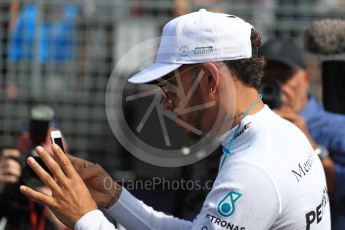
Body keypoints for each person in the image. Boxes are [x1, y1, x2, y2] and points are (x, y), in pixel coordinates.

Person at [19, 9, 331, 229]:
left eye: (169, 86)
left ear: (209, 78)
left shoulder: (254, 167)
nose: (165, 104)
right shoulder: (276, 135)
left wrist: (84, 217)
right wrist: (112, 196)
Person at [259, 38, 345, 230]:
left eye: (283, 78)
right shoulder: (251, 126)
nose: (277, 88)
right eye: (265, 80)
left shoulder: (336, 128)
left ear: (306, 77)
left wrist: (311, 146)